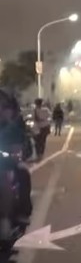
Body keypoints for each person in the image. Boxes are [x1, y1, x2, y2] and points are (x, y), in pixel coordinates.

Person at [0, 90, 32, 235]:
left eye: (4, 106)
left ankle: (14, 216)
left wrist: (16, 154)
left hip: (6, 164)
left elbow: (22, 147)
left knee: (23, 173)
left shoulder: (14, 127)